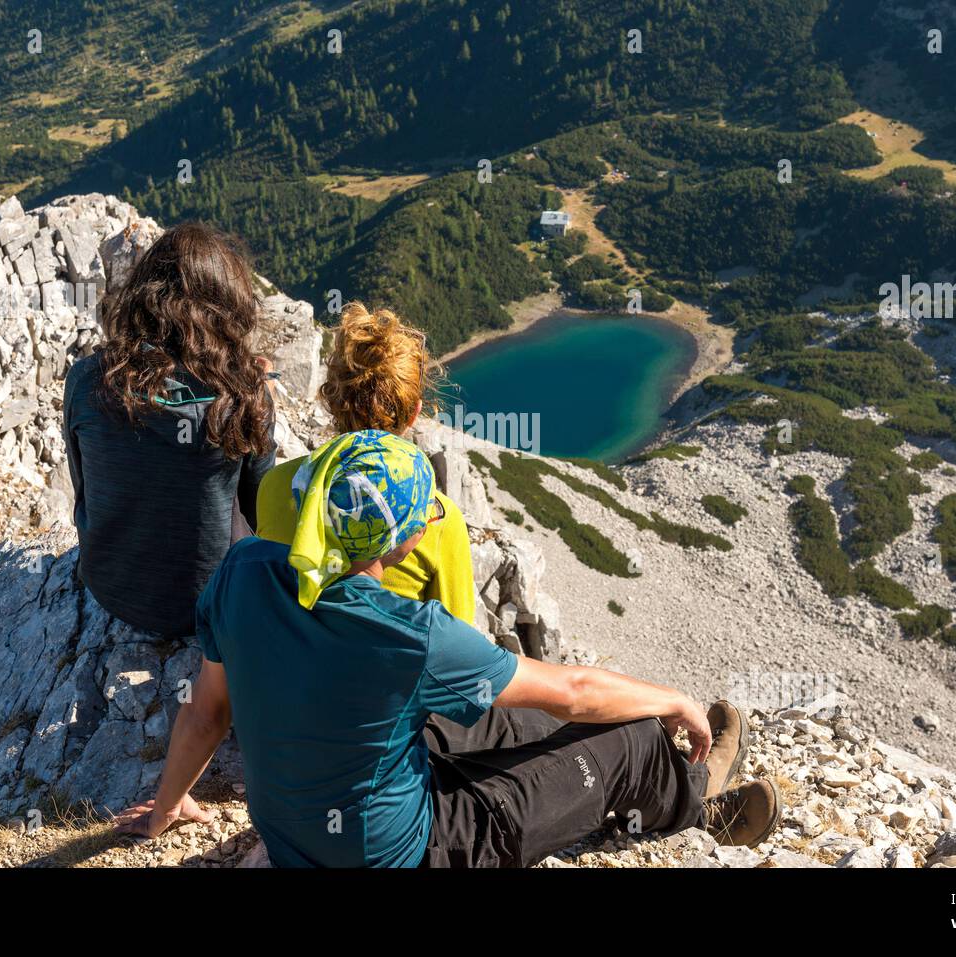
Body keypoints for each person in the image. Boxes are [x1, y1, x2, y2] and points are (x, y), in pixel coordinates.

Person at [115, 430, 781, 867]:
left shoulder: (244, 572)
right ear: (395, 541)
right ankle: (699, 801)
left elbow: (206, 713)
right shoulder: (404, 630)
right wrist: (672, 699)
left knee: (505, 714)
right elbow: (574, 691)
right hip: (411, 851)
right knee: (628, 739)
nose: (432, 519)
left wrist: (167, 809)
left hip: (296, 838)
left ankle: (659, 772)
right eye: (423, 514)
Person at [63, 222, 276, 638]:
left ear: (143, 297)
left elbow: (84, 489)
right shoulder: (244, 397)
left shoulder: (86, 380)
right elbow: (260, 511)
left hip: (113, 589)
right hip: (211, 604)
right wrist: (253, 394)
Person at [256, 301, 475, 623]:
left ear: (330, 398)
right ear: (415, 412)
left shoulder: (277, 484)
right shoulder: (438, 518)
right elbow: (458, 636)